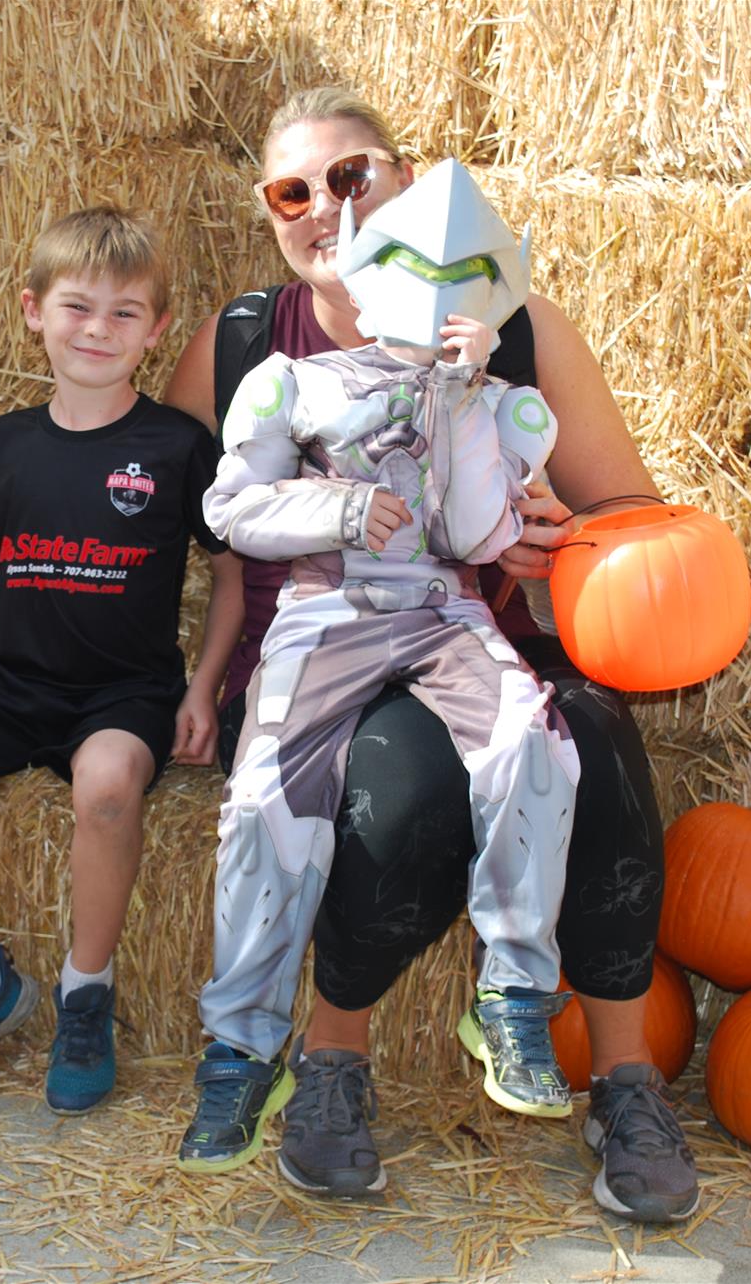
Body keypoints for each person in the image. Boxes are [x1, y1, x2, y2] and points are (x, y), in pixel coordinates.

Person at [160, 87, 698, 1222]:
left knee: (585, 737)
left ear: (411, 182)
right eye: (293, 191)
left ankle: (623, 1078)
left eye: (353, 176)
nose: (326, 208)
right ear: (270, 214)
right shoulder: (251, 343)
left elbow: (636, 519)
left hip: (478, 624)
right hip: (320, 638)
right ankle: (328, 1067)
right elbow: (187, 521)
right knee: (392, 793)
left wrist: (550, 528)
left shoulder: (513, 328)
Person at [177, 160, 582, 1190]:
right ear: (361, 270)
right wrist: (340, 511)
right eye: (411, 260)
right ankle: (241, 1048)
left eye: (471, 270)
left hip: (443, 611)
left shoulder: (500, 404)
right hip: (328, 609)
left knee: (533, 741)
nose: (441, 285)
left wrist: (463, 403)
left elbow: (481, 534)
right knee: (268, 795)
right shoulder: (293, 383)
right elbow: (231, 511)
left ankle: (514, 1000)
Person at [0, 206, 243, 1116]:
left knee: (107, 784)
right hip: (14, 685)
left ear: (154, 331)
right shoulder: (7, 443)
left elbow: (231, 577)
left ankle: (85, 992)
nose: (98, 330)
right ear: (33, 312)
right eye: (78, 307)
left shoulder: (178, 447)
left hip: (125, 692)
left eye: (123, 313)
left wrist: (203, 688)